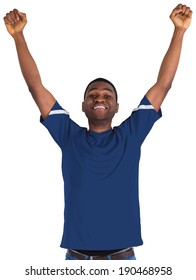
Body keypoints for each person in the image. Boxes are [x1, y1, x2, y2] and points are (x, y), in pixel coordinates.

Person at [4, 4, 192, 260]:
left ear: (116, 106)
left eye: (107, 95)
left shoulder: (131, 134)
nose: (99, 98)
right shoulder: (68, 135)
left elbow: (164, 85)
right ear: (83, 106)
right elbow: (35, 87)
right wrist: (18, 36)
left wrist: (179, 32)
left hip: (122, 258)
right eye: (92, 95)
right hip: (77, 258)